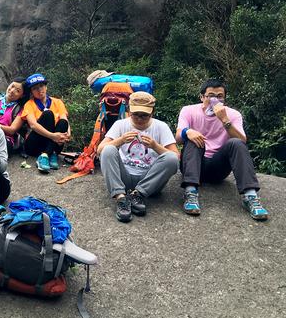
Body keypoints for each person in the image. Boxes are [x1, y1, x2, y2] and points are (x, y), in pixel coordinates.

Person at [176, 79, 269, 220]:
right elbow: (178, 138)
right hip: (193, 165)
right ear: (202, 97)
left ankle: (250, 197)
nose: (215, 100)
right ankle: (190, 193)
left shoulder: (233, 115)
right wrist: (187, 132)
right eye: (210, 96)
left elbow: (242, 141)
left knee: (236, 143)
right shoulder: (188, 110)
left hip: (218, 168)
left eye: (219, 96)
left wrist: (224, 120)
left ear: (224, 99)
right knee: (193, 138)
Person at [97, 91, 179, 223]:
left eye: (144, 115)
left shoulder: (161, 127)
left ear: (152, 112)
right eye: (135, 115)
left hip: (150, 181)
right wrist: (121, 140)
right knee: (108, 149)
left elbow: (175, 157)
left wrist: (154, 146)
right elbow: (100, 149)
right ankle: (121, 198)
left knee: (171, 158)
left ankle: (138, 194)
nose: (139, 119)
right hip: (124, 178)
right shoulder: (121, 124)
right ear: (129, 111)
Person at [21, 73, 70, 173]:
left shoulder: (57, 102)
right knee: (48, 114)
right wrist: (53, 136)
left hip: (54, 143)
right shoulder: (29, 104)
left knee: (63, 122)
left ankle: (47, 154)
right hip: (34, 145)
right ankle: (47, 154)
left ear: (46, 87)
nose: (39, 90)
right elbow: (33, 125)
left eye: (41, 86)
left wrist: (68, 133)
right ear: (31, 91)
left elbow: (64, 118)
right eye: (35, 88)